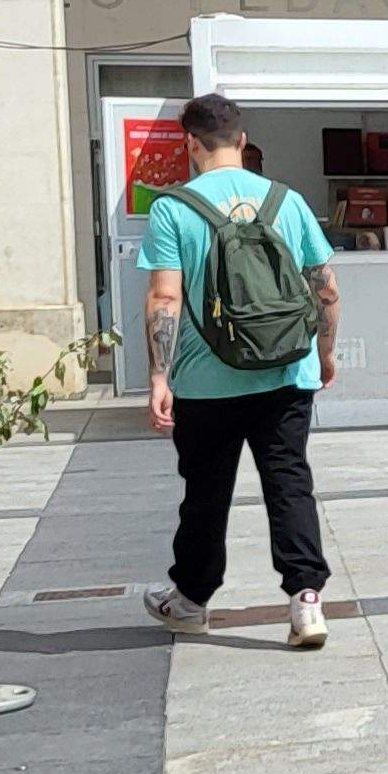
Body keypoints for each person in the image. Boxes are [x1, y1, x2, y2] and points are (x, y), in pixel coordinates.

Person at [136, 92, 342, 651]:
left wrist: (160, 376)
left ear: (191, 144)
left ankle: (191, 601)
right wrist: (324, 353)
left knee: (205, 490)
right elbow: (325, 286)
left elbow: (164, 298)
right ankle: (305, 603)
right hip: (285, 371)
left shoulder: (173, 208)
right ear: (243, 142)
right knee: (288, 481)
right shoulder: (287, 201)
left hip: (207, 381)